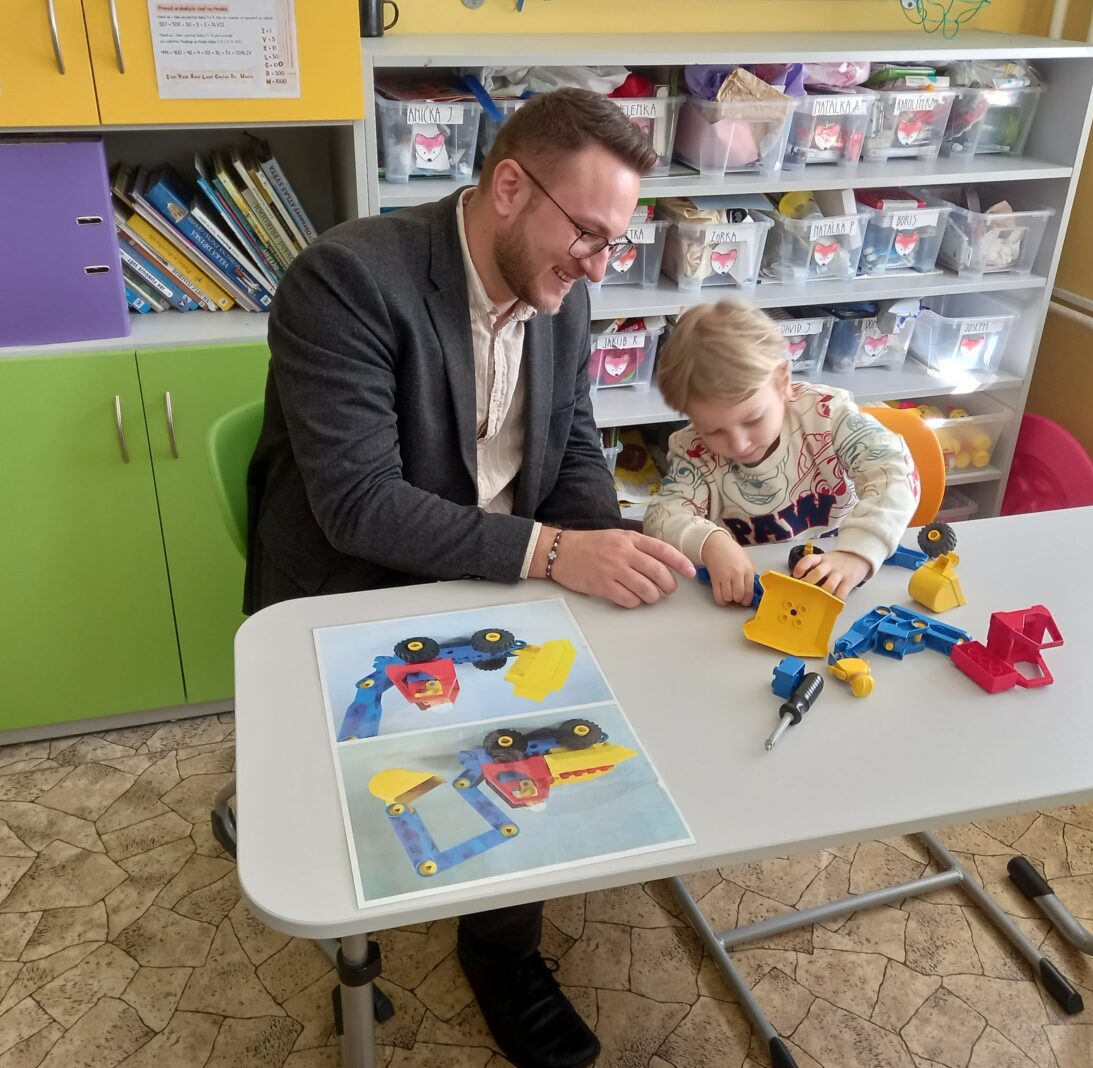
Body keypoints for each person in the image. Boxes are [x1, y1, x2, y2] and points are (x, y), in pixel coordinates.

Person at [245, 88, 695, 1068]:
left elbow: (573, 443)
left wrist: (602, 546)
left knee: (558, 725)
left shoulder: (563, 290)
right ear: (510, 187)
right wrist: (552, 553)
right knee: (465, 748)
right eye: (588, 234)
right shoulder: (346, 279)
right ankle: (493, 949)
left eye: (614, 243)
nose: (598, 265)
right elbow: (359, 504)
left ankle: (499, 944)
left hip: (496, 569)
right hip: (354, 583)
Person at [644, 299, 920, 606]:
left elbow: (895, 470)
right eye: (714, 431)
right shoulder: (693, 451)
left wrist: (857, 553)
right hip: (753, 593)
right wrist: (710, 543)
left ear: (783, 382)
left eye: (753, 420)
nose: (738, 444)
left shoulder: (827, 415)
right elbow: (661, 516)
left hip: (843, 579)